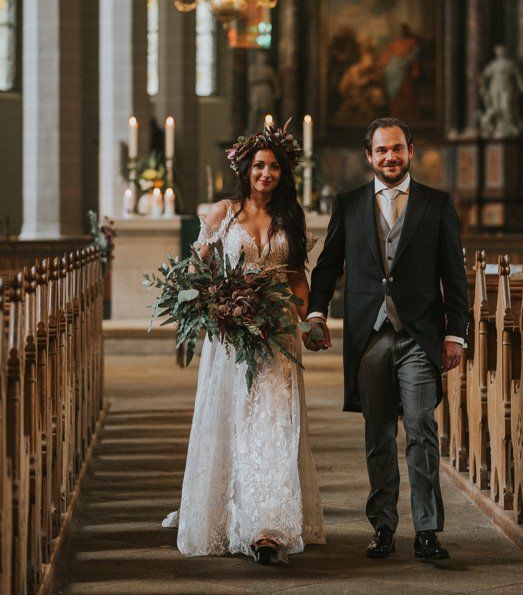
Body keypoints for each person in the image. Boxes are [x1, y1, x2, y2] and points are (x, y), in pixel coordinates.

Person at [305, 118, 467, 561]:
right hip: (369, 335)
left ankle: (428, 531)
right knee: (377, 436)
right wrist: (316, 313)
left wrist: (455, 334)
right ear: (369, 156)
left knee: (421, 430)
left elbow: (454, 276)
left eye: (397, 149)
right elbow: (326, 266)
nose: (389, 157)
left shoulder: (437, 205)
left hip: (419, 336)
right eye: (381, 151)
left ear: (410, 151)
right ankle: (382, 526)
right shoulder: (350, 204)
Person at [163, 121, 325, 565]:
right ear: (245, 169)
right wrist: (218, 307)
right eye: (259, 165)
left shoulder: (291, 217)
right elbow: (199, 274)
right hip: (232, 338)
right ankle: (224, 513)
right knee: (233, 420)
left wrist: (310, 319)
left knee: (274, 423)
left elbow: (296, 278)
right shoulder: (223, 214)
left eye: (274, 167)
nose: (266, 174)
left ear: (284, 173)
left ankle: (266, 526)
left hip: (278, 334)